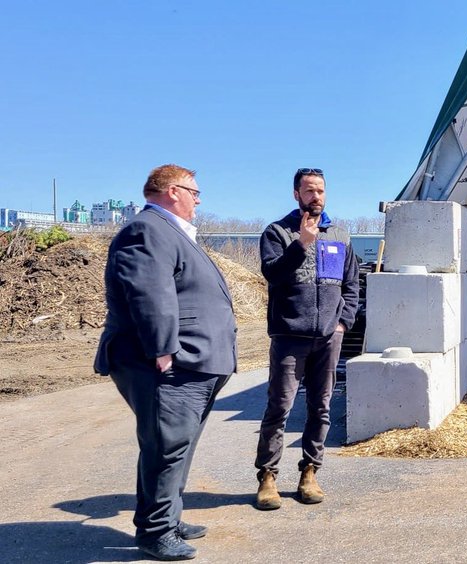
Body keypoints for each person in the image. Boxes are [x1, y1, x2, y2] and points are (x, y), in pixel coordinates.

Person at [94, 164, 237, 561]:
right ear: (173, 191)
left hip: (195, 363)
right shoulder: (147, 230)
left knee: (178, 446)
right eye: (195, 191)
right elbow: (149, 292)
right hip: (169, 365)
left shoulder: (171, 233)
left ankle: (168, 517)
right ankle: (156, 531)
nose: (198, 199)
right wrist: (162, 349)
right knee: (165, 447)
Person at [254, 167, 359, 510]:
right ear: (296, 194)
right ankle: (268, 477)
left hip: (328, 337)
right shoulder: (277, 233)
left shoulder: (340, 236)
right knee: (279, 407)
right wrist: (301, 244)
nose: (316, 196)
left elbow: (352, 284)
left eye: (321, 191)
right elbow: (273, 274)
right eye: (309, 191)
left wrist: (343, 323)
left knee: (321, 407)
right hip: (289, 336)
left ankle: (310, 472)